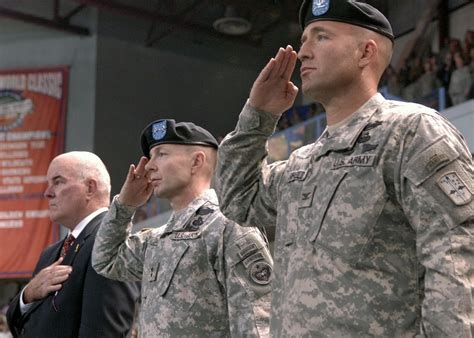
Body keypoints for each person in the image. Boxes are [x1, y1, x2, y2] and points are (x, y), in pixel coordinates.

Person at [215, 1, 474, 337]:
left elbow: (455, 255)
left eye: (320, 37)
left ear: (365, 53)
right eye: (304, 39)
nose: (303, 52)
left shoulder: (410, 133)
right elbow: (237, 200)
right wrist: (257, 116)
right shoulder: (301, 164)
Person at [92, 119, 273, 337]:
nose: (149, 165)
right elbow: (106, 260)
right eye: (151, 156)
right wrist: (124, 205)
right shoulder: (158, 239)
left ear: (196, 162)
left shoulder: (228, 227)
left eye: (162, 154)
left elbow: (258, 326)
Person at [7, 151, 140, 338]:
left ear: (90, 188)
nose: (48, 193)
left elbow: (104, 333)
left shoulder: (110, 244)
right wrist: (27, 294)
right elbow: (18, 325)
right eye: (48, 184)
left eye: (58, 181)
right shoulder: (50, 253)